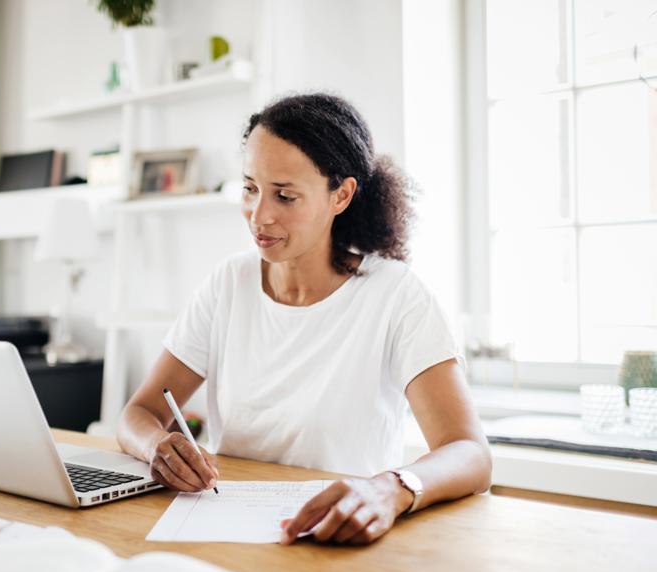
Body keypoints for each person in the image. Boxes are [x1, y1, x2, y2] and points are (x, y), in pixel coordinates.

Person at [116, 92, 492, 546]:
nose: (260, 216)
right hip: (228, 533)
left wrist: (388, 488)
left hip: (340, 539)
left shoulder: (395, 295)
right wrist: (156, 446)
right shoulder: (227, 284)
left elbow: (470, 453)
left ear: (342, 195)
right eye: (250, 188)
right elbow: (138, 413)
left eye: (285, 195)